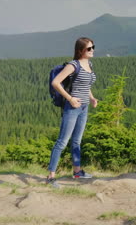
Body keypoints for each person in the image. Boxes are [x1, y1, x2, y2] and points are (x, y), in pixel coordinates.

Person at [46, 37, 98, 188]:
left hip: (84, 108)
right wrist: (70, 99)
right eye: (89, 48)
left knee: (77, 141)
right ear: (80, 50)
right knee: (62, 142)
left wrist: (92, 98)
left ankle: (77, 172)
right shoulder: (73, 65)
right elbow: (55, 83)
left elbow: (86, 84)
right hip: (73, 108)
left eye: (93, 47)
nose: (92, 50)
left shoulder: (89, 64)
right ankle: (50, 177)